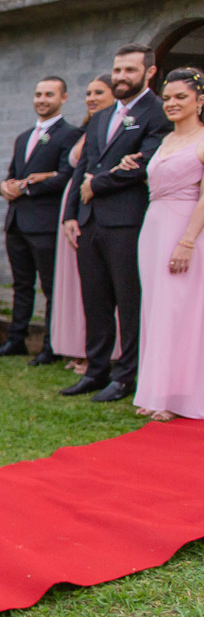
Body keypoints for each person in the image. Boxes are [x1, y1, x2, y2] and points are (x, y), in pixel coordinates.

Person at [62, 43, 172, 402]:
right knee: (94, 300)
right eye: (118, 70)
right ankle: (96, 370)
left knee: (128, 301)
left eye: (130, 70)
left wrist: (98, 183)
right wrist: (71, 215)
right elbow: (83, 166)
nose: (121, 77)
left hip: (127, 221)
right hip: (89, 220)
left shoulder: (158, 113)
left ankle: (126, 376)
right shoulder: (103, 114)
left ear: (149, 72)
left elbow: (146, 163)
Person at [133, 67, 204, 421]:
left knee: (181, 311)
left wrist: (187, 241)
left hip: (185, 230)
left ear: (200, 101)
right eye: (169, 97)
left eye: (182, 97)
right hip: (154, 227)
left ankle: (179, 396)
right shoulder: (164, 141)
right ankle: (155, 391)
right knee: (156, 309)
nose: (172, 103)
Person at [0, 77, 80, 364]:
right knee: (21, 285)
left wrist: (27, 187)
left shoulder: (70, 134)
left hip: (44, 223)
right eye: (38, 94)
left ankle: (51, 346)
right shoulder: (23, 136)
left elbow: (67, 175)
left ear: (63, 98)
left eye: (49, 94)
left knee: (50, 287)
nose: (42, 99)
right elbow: (12, 173)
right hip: (16, 221)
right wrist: (5, 187)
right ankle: (16, 339)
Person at [50, 76, 117, 373]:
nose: (91, 97)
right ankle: (79, 347)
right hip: (77, 206)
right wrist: (69, 214)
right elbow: (76, 174)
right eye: (88, 92)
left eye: (98, 92)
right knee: (80, 285)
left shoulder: (115, 129)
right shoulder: (87, 128)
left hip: (103, 206)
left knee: (101, 287)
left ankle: (103, 352)